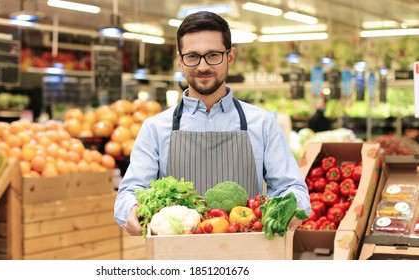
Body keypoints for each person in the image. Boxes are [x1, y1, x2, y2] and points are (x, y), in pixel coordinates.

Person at [114, 11, 311, 236]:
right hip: (176, 259)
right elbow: (129, 191)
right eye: (192, 56)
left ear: (230, 56)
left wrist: (291, 208)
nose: (203, 66)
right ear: (180, 60)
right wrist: (131, 209)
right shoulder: (155, 128)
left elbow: (292, 188)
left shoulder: (263, 124)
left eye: (213, 55)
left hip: (247, 255)